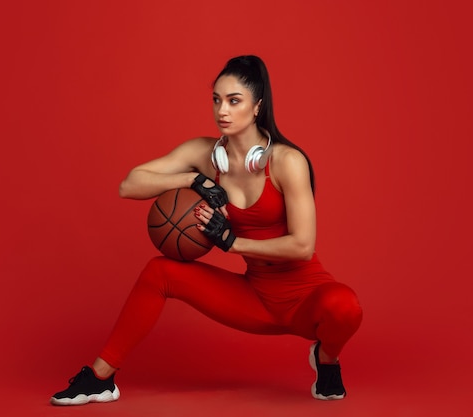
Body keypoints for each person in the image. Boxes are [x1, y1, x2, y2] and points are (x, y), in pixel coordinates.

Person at [50, 55, 363, 406]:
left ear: (257, 106)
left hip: (305, 299)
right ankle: (100, 379)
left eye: (233, 100)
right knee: (159, 272)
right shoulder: (205, 155)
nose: (222, 110)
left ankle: (326, 359)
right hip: (256, 299)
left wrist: (231, 242)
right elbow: (129, 184)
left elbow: (302, 246)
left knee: (345, 305)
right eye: (216, 99)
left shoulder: (287, 161)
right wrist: (193, 179)